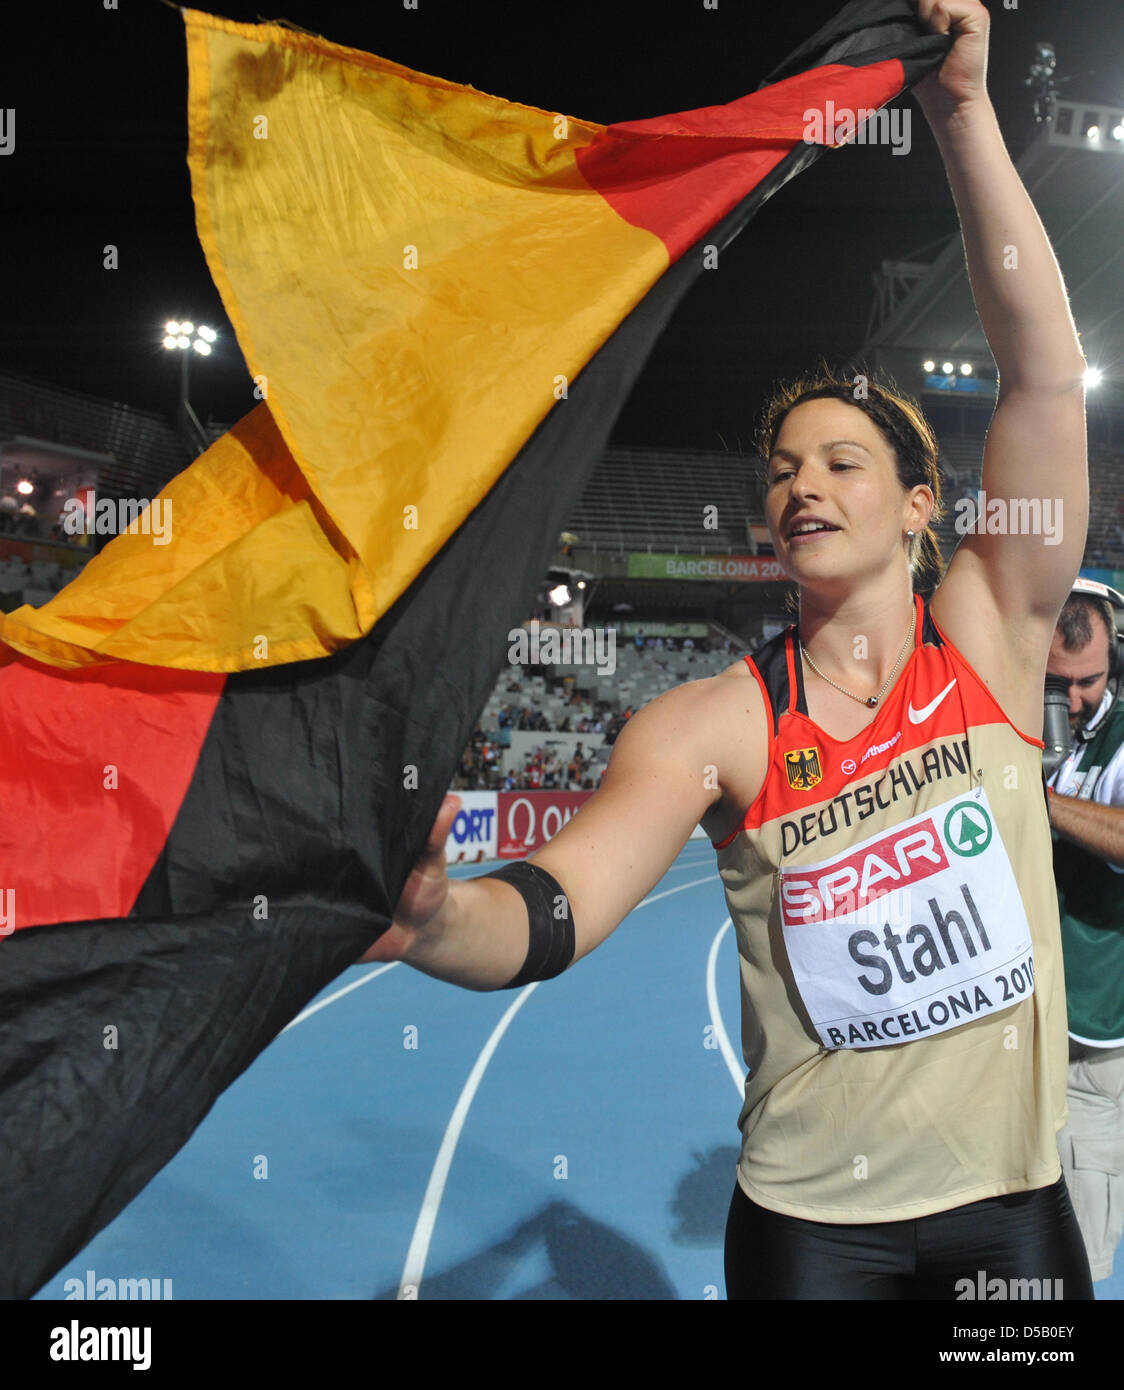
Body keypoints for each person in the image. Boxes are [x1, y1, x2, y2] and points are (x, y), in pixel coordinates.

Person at [363, 0, 1093, 1299]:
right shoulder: (713, 725)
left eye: (841, 460)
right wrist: (433, 918)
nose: (800, 483)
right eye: (780, 470)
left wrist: (965, 113)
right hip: (817, 1236)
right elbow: (554, 908)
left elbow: (1040, 378)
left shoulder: (991, 626)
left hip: (1010, 1221)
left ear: (924, 506)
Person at [1046, 583, 1124, 1283]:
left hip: (1092, 1042)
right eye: (1055, 683)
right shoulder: (1029, 729)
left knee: (1076, 1263)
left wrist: (1041, 802)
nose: (1070, 701)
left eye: (1088, 681)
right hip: (1024, 1028)